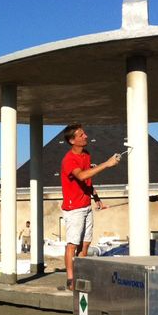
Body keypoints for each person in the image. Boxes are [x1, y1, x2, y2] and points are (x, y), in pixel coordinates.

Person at [60, 124, 120, 290]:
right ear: (72, 140)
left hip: (86, 205)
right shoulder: (69, 160)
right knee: (72, 244)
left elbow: (88, 180)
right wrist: (106, 164)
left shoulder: (86, 155)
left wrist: (96, 197)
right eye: (81, 135)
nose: (85, 136)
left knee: (85, 244)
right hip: (73, 209)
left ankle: (82, 275)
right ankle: (70, 280)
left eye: (84, 133)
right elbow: (82, 175)